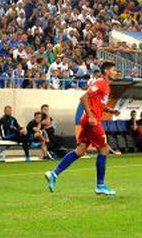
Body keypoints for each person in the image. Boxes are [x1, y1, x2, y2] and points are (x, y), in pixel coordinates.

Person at [45, 62, 122, 196]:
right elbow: (83, 97)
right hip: (92, 121)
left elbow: (97, 103)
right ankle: (100, 185)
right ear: (106, 71)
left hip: (88, 120)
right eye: (114, 70)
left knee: (80, 151)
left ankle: (54, 173)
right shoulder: (101, 83)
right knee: (103, 149)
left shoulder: (106, 86)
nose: (116, 72)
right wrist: (91, 116)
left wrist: (110, 110)